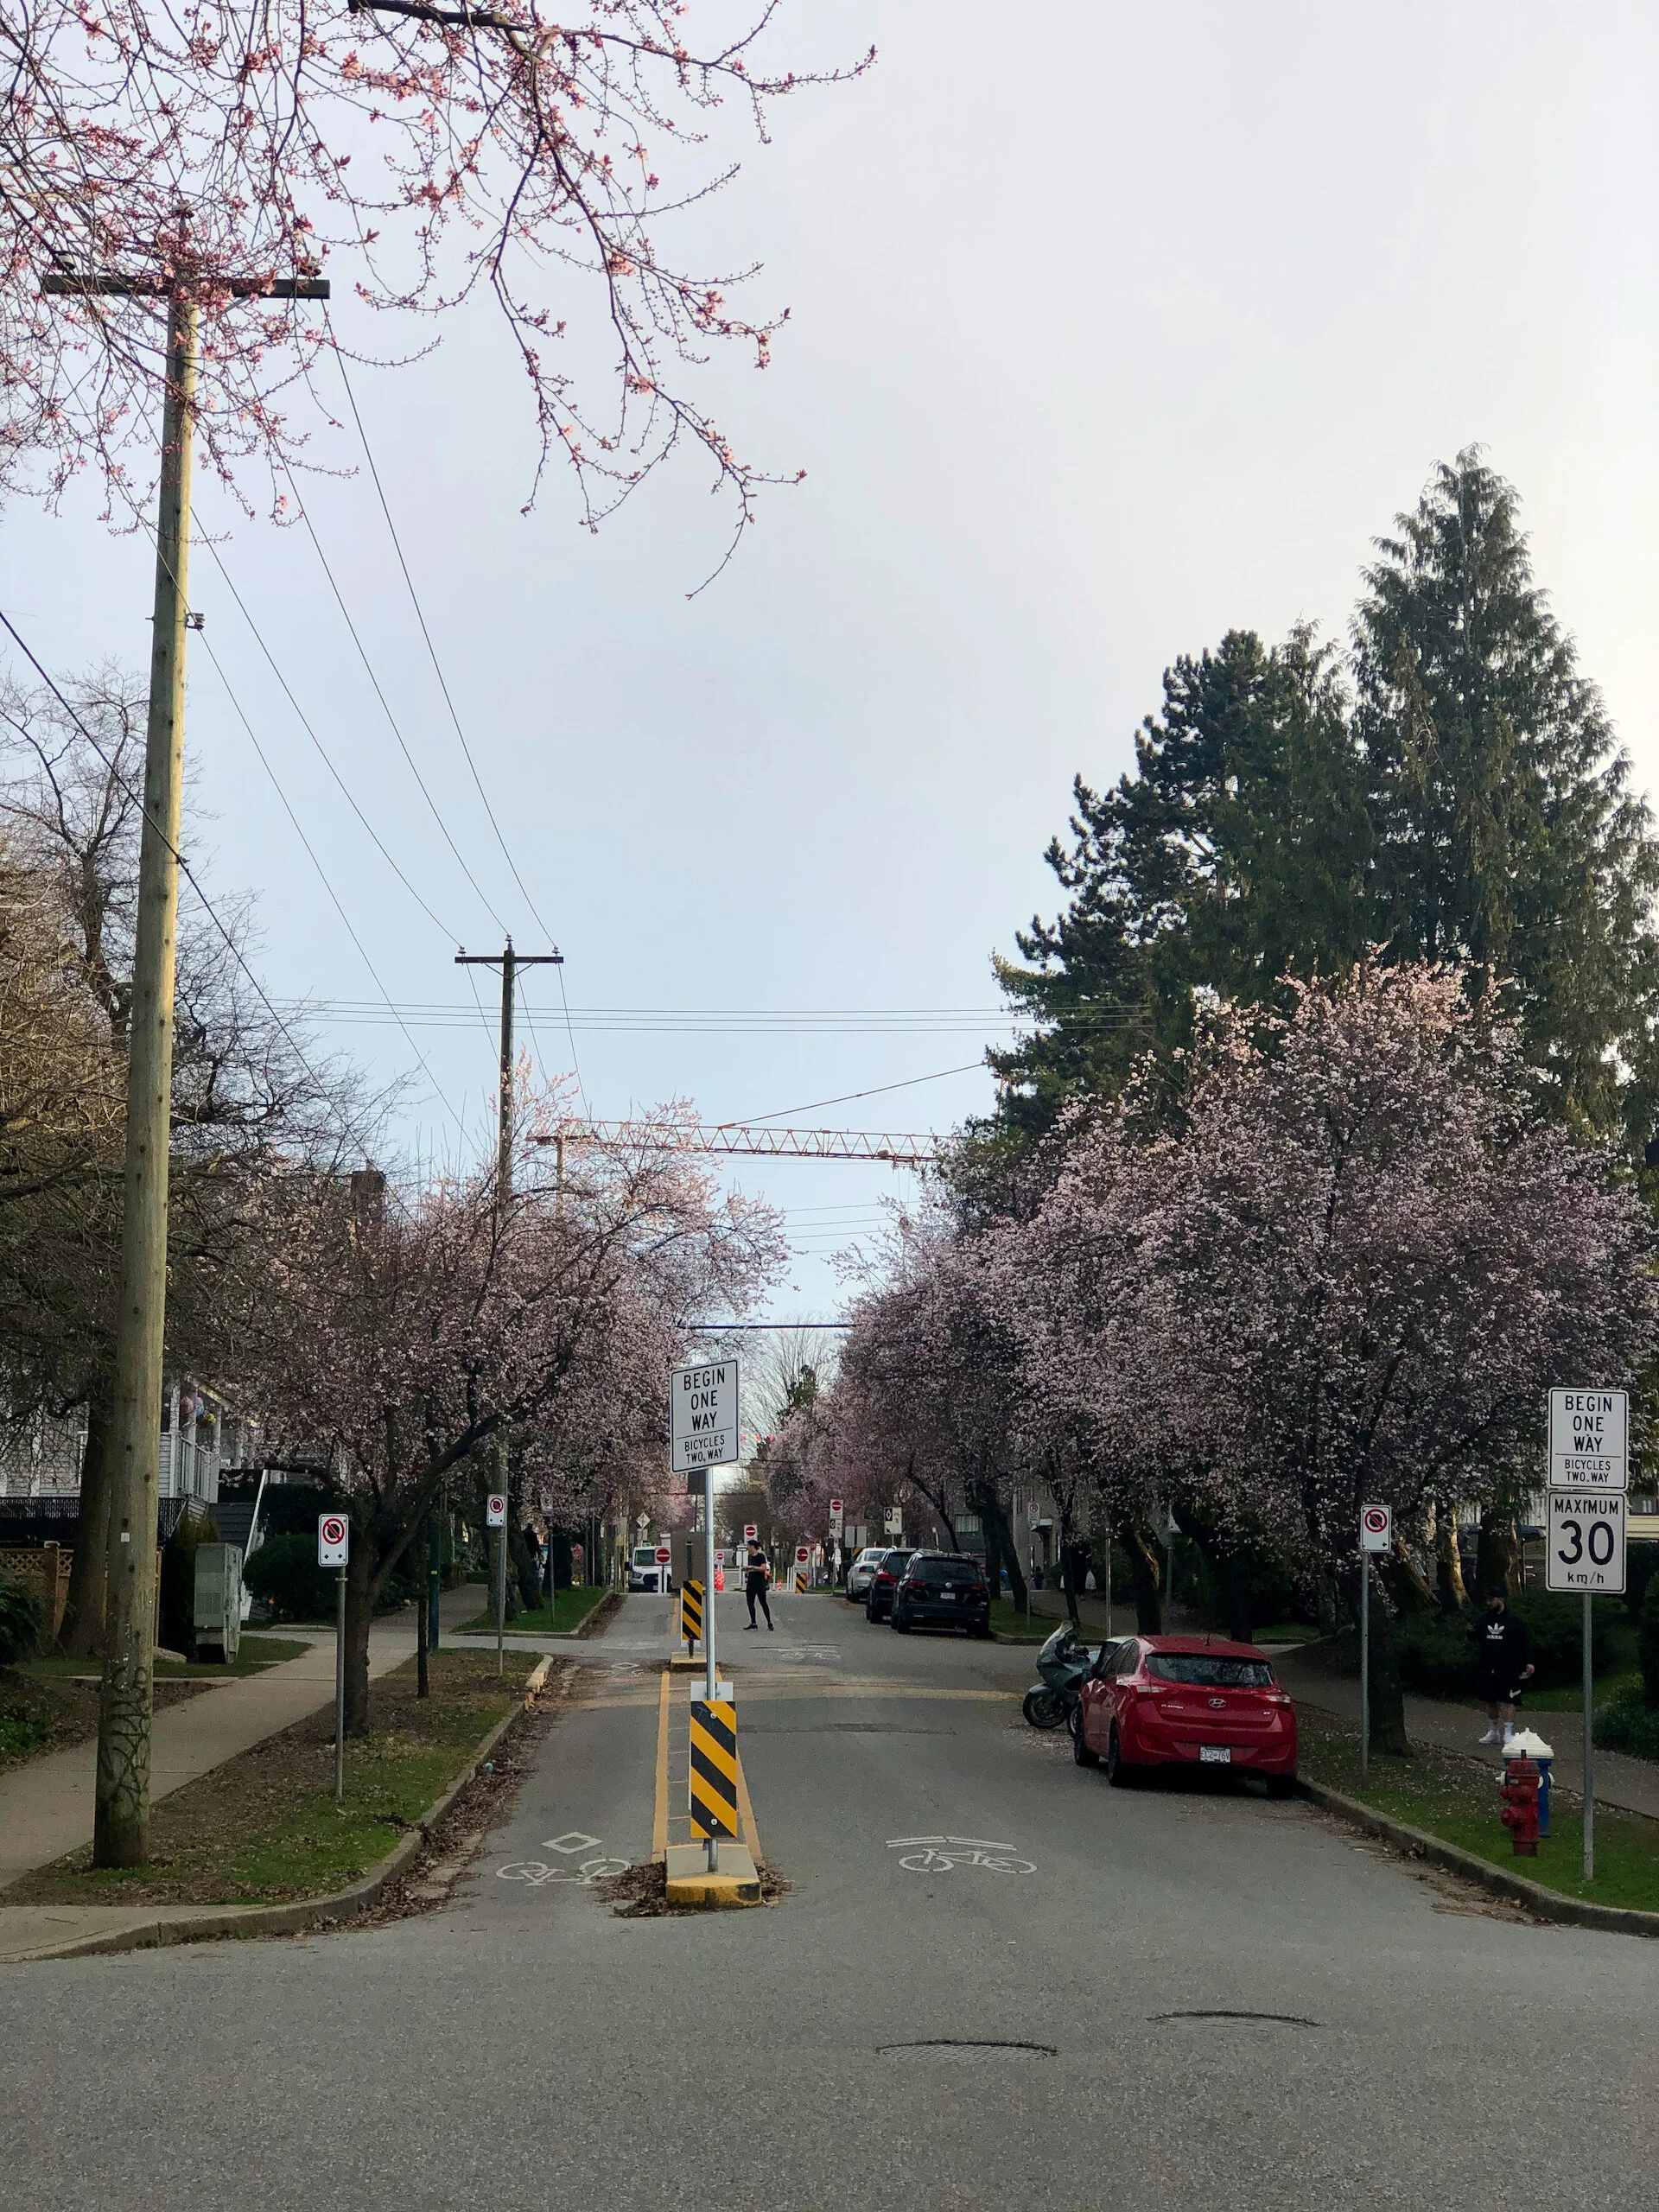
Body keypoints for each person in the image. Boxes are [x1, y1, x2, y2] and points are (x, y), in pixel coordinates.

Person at [1471, 1589, 1534, 1746]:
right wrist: (1470, 1631)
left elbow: (1524, 1642)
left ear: (1500, 1600)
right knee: (1489, 1700)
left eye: (1491, 1600)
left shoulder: (1514, 1621)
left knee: (1508, 1700)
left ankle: (1508, 1732)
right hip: (1487, 1666)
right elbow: (1476, 1638)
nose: (1489, 1603)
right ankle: (1493, 1732)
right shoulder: (1483, 1620)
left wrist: (1529, 1662)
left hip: (1509, 1667)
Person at [744, 1538, 774, 1630]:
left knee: (763, 1602)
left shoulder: (760, 1556)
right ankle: (753, 1623)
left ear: (752, 1547)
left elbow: (763, 1568)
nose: (747, 1549)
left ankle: (769, 1622)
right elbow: (753, 1569)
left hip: (759, 1583)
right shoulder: (750, 1557)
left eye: (748, 1547)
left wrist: (752, 1567)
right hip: (751, 1583)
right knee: (750, 1603)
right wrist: (747, 1570)